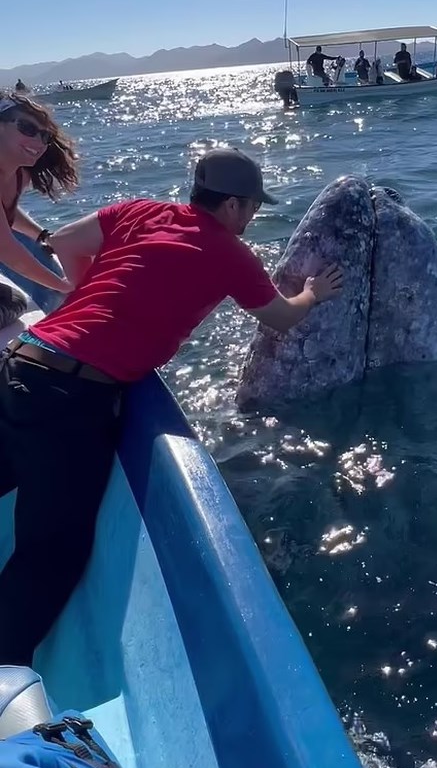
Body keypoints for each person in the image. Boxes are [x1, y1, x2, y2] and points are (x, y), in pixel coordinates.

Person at [0, 146, 343, 665]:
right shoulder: (228, 252)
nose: (252, 217)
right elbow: (280, 317)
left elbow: (64, 241)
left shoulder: (142, 211)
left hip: (20, 363)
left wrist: (89, 297)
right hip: (68, 398)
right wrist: (313, 293)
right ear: (232, 204)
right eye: (252, 207)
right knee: (54, 552)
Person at [0, 94, 77, 301]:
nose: (39, 142)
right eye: (27, 128)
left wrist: (43, 236)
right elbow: (5, 248)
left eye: (45, 136)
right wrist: (62, 285)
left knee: (33, 245)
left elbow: (6, 212)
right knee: (14, 303)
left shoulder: (19, 175)